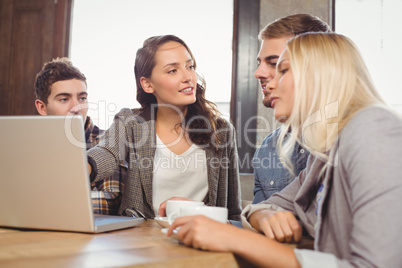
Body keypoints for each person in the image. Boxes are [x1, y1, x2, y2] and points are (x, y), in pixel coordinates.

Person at [167, 32, 402, 267]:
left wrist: (237, 240)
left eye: (284, 70)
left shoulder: (374, 129)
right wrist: (262, 216)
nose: (269, 83)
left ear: (320, 74)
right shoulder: (325, 154)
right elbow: (265, 206)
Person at [87, 35, 242, 220]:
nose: (188, 77)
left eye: (190, 66)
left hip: (203, 241)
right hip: (142, 240)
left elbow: (232, 211)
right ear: (148, 84)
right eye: (172, 71)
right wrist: (79, 167)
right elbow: (107, 153)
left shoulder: (222, 131)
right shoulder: (131, 122)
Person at [252, 14, 331, 204]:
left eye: (276, 64)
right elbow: (260, 217)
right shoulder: (267, 150)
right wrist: (259, 215)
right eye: (259, 63)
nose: (258, 73)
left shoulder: (348, 139)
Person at [34, 57, 123, 215]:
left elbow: (112, 200)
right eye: (64, 99)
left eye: (82, 98)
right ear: (42, 107)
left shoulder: (107, 143)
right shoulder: (27, 146)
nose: (76, 107)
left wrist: (41, 203)